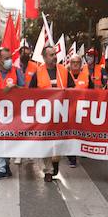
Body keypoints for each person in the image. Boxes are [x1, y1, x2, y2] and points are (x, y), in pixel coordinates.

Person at [28, 45, 65, 181]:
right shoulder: (38, 73)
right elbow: (29, 94)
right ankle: (48, 170)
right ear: (44, 57)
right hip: (44, 115)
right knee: (46, 142)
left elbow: (74, 89)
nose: (54, 56)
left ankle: (55, 163)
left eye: (55, 54)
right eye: (51, 55)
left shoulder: (63, 71)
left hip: (62, 115)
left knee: (58, 144)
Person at [0, 47, 24, 180]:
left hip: (13, 113)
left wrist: (15, 88)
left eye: (10, 58)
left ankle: (6, 164)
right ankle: (2, 168)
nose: (9, 61)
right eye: (6, 58)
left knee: (9, 140)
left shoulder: (17, 71)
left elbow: (26, 91)